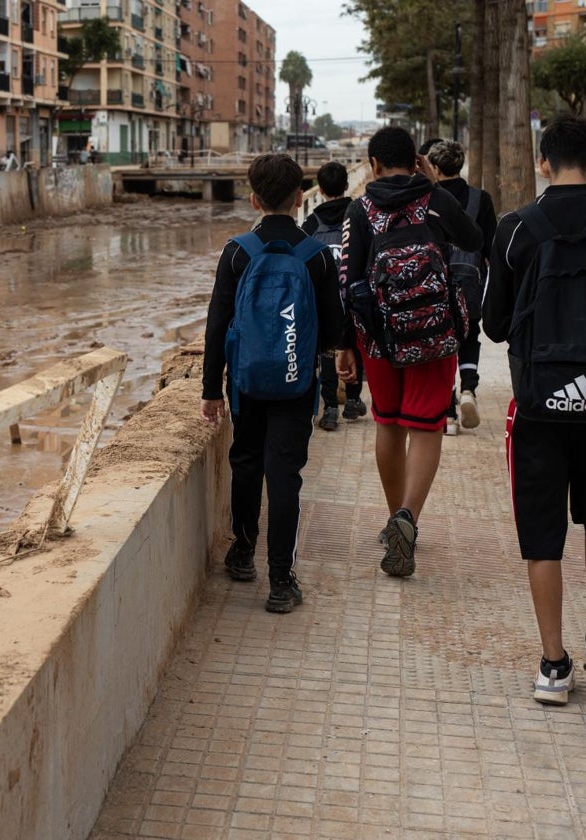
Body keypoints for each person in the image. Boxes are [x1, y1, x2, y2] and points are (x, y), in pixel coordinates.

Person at [482, 114, 586, 705]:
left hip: (537, 406)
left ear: (543, 163)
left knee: (541, 530)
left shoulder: (515, 230)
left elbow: (495, 327)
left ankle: (553, 666)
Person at [335, 126, 482, 578]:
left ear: (373, 164)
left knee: (389, 423)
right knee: (426, 427)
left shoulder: (360, 209)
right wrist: (435, 187)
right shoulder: (435, 200)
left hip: (379, 337)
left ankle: (392, 516)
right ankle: (409, 518)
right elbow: (474, 240)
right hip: (435, 335)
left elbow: (349, 279)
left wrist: (346, 346)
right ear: (417, 160)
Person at [201, 153, 343, 613]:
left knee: (245, 463)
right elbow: (333, 331)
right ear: (302, 198)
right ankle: (281, 581)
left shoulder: (237, 251)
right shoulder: (317, 256)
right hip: (295, 383)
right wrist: (334, 372)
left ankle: (242, 552)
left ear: (253, 198)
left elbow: (217, 323)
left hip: (245, 383)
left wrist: (209, 389)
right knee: (285, 477)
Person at [425, 140, 498, 436]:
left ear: (436, 167)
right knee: (469, 334)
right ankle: (468, 388)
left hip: (436, 280)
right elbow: (490, 247)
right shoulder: (481, 198)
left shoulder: (429, 199)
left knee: (441, 343)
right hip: (470, 280)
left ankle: (448, 414)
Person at [302, 160, 367, 431]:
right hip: (354, 296)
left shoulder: (311, 222)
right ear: (345, 185)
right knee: (355, 345)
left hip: (323, 300)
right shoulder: (359, 214)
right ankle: (352, 401)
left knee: (328, 351)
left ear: (320, 187)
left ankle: (329, 408)